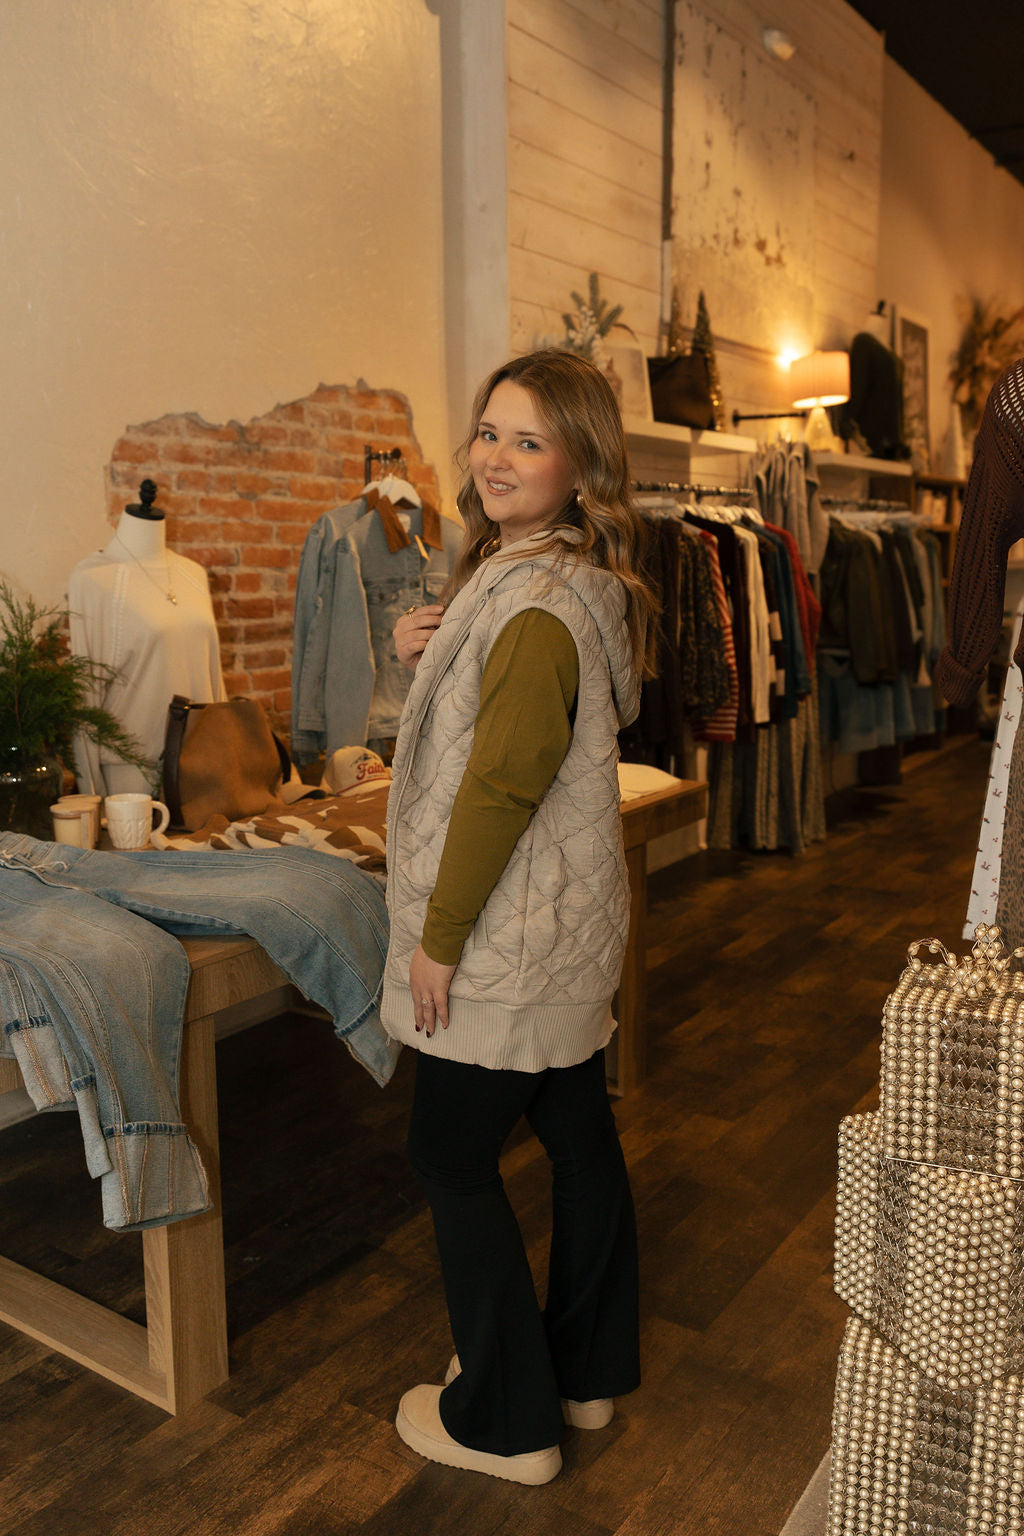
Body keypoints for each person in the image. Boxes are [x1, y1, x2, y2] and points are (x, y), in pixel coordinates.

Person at [381, 348, 658, 1484]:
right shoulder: (547, 579)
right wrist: (429, 650)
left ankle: (506, 1422)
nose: (494, 457)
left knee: (448, 1156)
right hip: (557, 928)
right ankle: (584, 1374)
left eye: (528, 441)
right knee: (577, 1132)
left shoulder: (536, 607)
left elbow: (497, 790)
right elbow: (493, 732)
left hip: (504, 934)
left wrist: (438, 941)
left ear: (581, 469)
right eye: (489, 431)